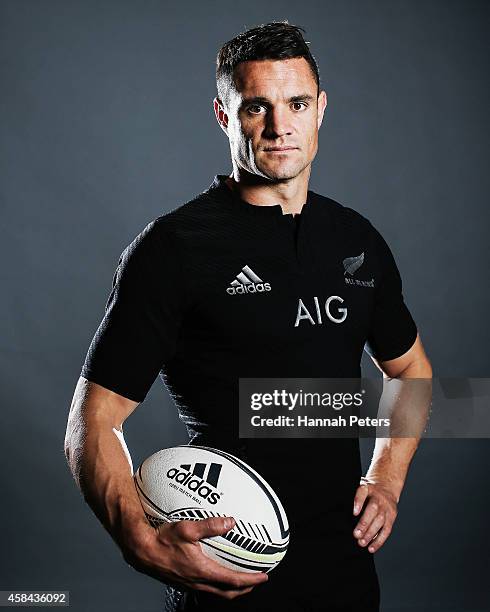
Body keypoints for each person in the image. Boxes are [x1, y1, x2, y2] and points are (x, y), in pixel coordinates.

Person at [65, 21, 432, 612]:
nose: (280, 125)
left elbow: (411, 371)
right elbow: (93, 420)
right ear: (223, 115)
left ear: (321, 110)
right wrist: (137, 539)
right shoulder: (175, 247)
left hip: (346, 571)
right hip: (226, 572)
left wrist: (387, 478)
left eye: (297, 103)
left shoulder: (354, 238)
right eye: (256, 106)